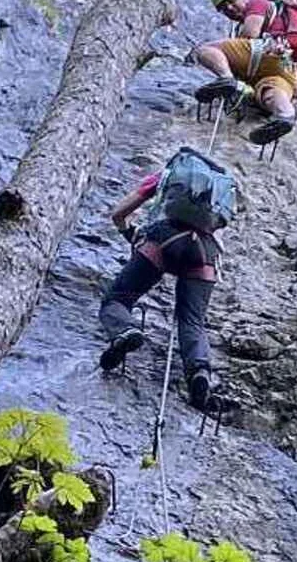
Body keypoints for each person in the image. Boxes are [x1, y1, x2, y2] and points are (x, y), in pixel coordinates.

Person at [98, 147, 237, 411]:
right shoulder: (221, 192)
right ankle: (199, 372)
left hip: (164, 239)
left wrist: (130, 233)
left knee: (117, 299)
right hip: (204, 252)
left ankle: (125, 331)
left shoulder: (168, 175)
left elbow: (119, 214)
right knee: (192, 320)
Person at [192, 0, 297, 145]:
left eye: (231, 1)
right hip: (287, 66)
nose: (229, 8)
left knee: (205, 50)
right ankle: (285, 115)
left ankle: (227, 79)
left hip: (265, 52)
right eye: (223, 8)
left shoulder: (257, 3)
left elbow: (250, 34)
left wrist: (234, 63)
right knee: (270, 92)